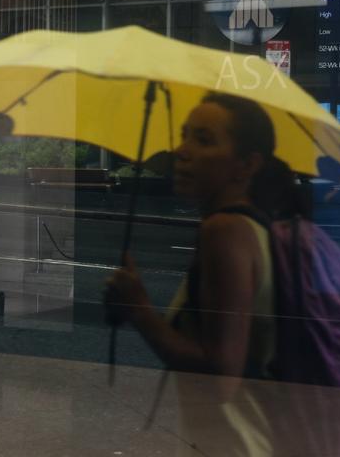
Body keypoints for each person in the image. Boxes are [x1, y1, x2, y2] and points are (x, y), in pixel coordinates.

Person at [104, 92, 307, 455]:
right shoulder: (255, 227)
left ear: (246, 165)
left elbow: (221, 377)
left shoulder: (224, 231)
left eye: (204, 140)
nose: (182, 150)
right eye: (184, 135)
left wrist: (141, 311)